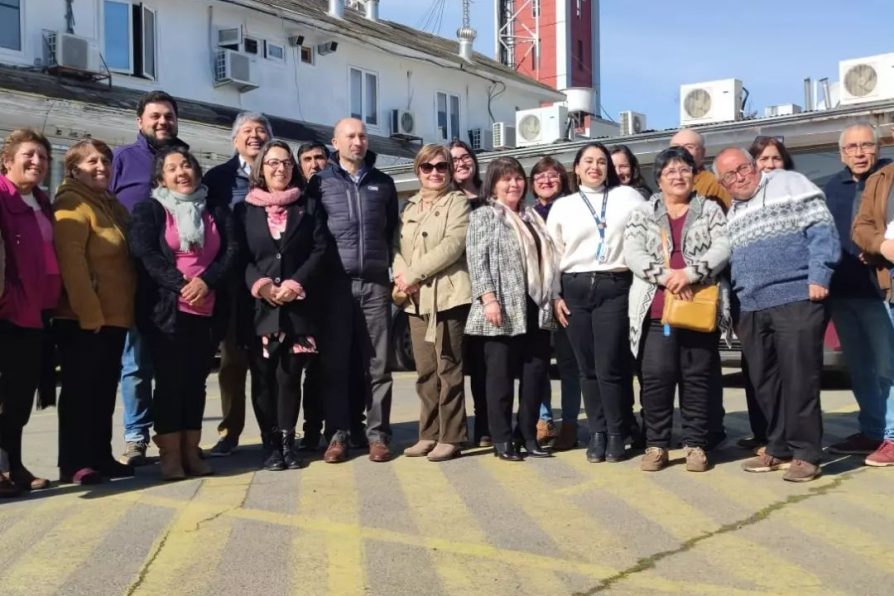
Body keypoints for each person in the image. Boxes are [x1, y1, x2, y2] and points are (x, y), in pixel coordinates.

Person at [716, 147, 839, 483]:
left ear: (754, 165)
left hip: (797, 296)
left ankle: (806, 453)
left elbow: (822, 228)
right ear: (723, 183)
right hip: (753, 305)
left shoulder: (789, 182)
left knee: (800, 378)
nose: (739, 176)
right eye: (729, 175)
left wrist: (819, 274)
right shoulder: (734, 211)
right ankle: (779, 445)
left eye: (743, 167)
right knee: (765, 383)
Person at [129, 146, 237, 481]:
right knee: (171, 383)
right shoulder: (150, 209)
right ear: (161, 177)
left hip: (208, 309)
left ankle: (192, 450)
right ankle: (171, 455)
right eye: (173, 168)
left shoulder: (215, 210)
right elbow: (145, 253)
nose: (182, 173)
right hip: (168, 311)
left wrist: (206, 281)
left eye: (187, 166)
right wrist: (181, 284)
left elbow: (232, 250)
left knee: (196, 383)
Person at [623, 146, 731, 473]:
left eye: (684, 170)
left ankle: (695, 445)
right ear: (659, 179)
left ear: (693, 175)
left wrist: (691, 273)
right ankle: (656, 444)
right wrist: (667, 276)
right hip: (656, 312)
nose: (678, 176)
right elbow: (633, 252)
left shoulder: (709, 209)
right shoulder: (643, 213)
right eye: (670, 172)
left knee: (697, 379)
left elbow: (723, 245)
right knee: (656, 379)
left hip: (698, 310)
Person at [304, 118, 398, 462]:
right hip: (335, 286)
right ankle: (338, 434)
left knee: (378, 365)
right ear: (335, 142)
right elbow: (312, 235)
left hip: (375, 284)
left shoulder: (383, 183)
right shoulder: (320, 184)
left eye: (362, 136)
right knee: (335, 364)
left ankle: (377, 436)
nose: (357, 142)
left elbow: (392, 233)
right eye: (350, 136)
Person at [235, 140, 329, 471]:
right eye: (273, 163)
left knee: (289, 377)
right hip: (259, 308)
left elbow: (320, 250)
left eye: (286, 163)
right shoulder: (244, 210)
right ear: (261, 168)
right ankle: (269, 443)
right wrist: (260, 285)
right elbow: (240, 256)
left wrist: (294, 283)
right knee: (262, 379)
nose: (280, 169)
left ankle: (289, 442)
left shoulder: (309, 206)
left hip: (298, 306)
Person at [548, 142, 644, 464]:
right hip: (574, 289)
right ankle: (597, 432)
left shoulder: (627, 197)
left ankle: (618, 432)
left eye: (601, 162)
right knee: (586, 369)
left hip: (613, 286)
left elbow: (646, 235)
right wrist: (554, 294)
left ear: (609, 168)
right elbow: (552, 254)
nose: (595, 167)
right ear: (575, 169)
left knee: (610, 367)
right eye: (587, 161)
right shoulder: (564, 205)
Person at [111, 90, 188, 466]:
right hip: (136, 278)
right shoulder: (121, 160)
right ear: (139, 121)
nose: (162, 122)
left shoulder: (183, 161)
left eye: (169, 117)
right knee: (136, 363)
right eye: (155, 116)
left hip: (181, 284)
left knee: (175, 364)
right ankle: (136, 436)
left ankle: (172, 437)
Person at [52, 140, 137, 485]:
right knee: (78, 393)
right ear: (74, 169)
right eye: (91, 161)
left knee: (102, 392)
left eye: (105, 160)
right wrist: (89, 313)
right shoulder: (72, 202)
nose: (101, 166)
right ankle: (75, 463)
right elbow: (71, 262)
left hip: (113, 318)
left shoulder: (109, 205)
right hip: (84, 319)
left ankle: (99, 455)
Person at [466, 156, 559, 461]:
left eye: (518, 178)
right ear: (493, 184)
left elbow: (549, 261)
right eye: (506, 178)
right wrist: (488, 299)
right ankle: (502, 439)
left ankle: (528, 435)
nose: (514, 184)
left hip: (537, 306)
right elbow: (477, 262)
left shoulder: (533, 217)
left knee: (534, 376)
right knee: (500, 378)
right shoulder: (485, 216)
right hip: (502, 308)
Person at [393, 144, 471, 462]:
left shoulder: (459, 203)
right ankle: (429, 432)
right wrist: (401, 277)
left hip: (448, 296)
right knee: (425, 370)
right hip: (416, 300)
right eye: (428, 167)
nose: (435, 173)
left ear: (450, 171)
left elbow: (452, 246)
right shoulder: (409, 208)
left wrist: (412, 274)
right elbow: (396, 246)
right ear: (418, 170)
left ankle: (451, 436)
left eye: (442, 167)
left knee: (447, 368)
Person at [822, 124, 894, 461]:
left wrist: (877, 249)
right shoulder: (832, 188)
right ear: (842, 153)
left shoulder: (888, 179)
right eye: (852, 147)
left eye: (867, 145)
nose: (860, 152)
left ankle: (892, 435)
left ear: (878, 148)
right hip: (844, 290)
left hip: (880, 291)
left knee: (888, 367)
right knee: (861, 368)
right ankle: (872, 431)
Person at [202, 112, 273, 457]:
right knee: (232, 362)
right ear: (234, 140)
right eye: (247, 131)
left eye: (261, 130)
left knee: (266, 360)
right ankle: (230, 432)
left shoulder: (278, 172)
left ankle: (272, 430)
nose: (255, 136)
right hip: (231, 283)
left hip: (269, 283)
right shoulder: (218, 178)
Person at [0, 129, 60, 496]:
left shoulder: (41, 201)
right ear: (7, 161)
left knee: (20, 395)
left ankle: (14, 465)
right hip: (7, 311)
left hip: (37, 311)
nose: (36, 162)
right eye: (29, 155)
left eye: (43, 156)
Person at [671, 128, 729, 449]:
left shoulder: (711, 189)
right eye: (677, 149)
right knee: (676, 365)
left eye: (690, 148)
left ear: (701, 154)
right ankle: (696, 427)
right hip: (671, 291)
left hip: (703, 288)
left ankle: (710, 428)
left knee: (702, 364)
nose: (684, 154)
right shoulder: (669, 190)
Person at [529, 156, 580, 451]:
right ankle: (543, 419)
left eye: (553, 176)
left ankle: (570, 424)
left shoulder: (573, 209)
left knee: (568, 364)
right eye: (540, 176)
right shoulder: (526, 215)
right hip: (536, 298)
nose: (546, 181)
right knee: (537, 364)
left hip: (566, 296)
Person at [851, 130, 894, 467]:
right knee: (887, 366)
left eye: (866, 144)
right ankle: (890, 436)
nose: (860, 152)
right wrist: (880, 246)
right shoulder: (881, 179)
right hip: (889, 284)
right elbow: (861, 226)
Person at [449, 139, 490, 447]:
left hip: (489, 290)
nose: (460, 163)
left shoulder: (490, 198)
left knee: (485, 365)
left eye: (464, 157)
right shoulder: (449, 200)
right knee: (457, 364)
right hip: (459, 290)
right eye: (453, 160)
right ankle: (455, 428)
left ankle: (486, 424)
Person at [295, 140, 331, 451]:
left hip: (330, 292)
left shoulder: (336, 192)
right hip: (297, 293)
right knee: (295, 367)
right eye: (307, 159)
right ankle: (293, 432)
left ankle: (318, 428)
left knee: (323, 369)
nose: (314, 164)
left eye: (320, 157)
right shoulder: (295, 198)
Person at [669, 129, 731, 211]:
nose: (681, 152)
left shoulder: (714, 183)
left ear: (702, 153)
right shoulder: (666, 181)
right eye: (675, 147)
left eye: (689, 147)